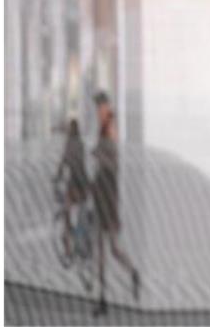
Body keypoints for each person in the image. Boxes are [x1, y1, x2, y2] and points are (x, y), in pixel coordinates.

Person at [91, 91, 141, 316]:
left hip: (109, 195)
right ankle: (102, 300)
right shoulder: (102, 129)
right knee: (102, 249)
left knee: (111, 247)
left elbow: (113, 164)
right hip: (101, 192)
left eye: (100, 106)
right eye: (97, 107)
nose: (98, 111)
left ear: (106, 106)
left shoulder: (110, 129)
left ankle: (133, 272)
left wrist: (99, 157)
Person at [54, 118, 88, 259]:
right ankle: (80, 239)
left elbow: (64, 162)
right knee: (80, 211)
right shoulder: (80, 143)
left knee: (67, 211)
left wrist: (57, 177)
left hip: (74, 182)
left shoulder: (70, 144)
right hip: (83, 182)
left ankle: (69, 248)